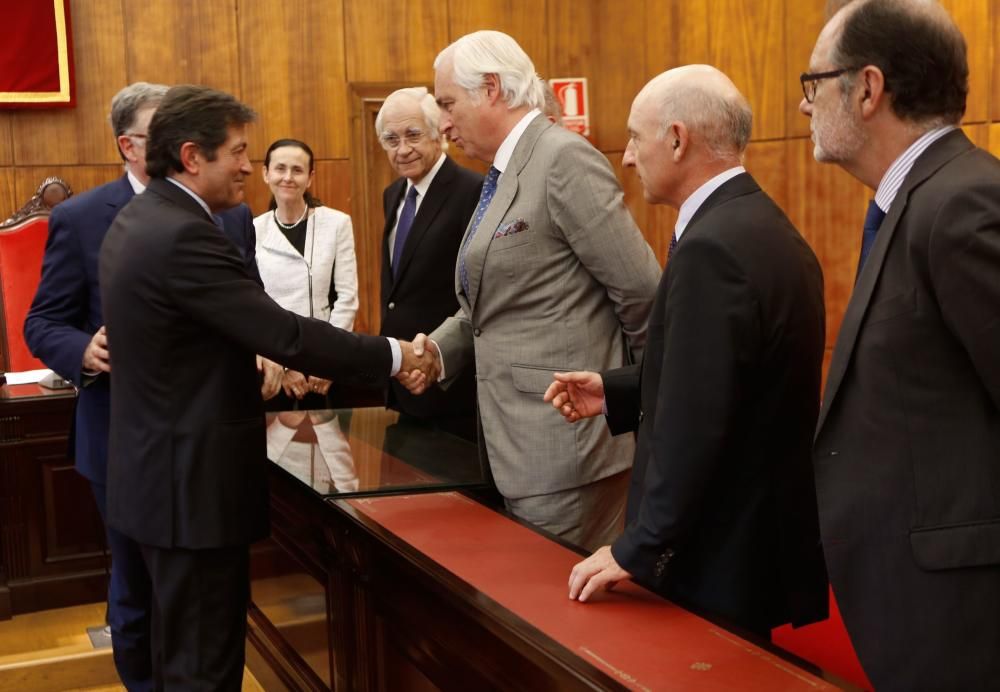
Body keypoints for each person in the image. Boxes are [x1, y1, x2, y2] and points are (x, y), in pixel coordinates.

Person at [98, 85, 431, 690]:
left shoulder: (141, 219)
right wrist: (395, 353)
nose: (250, 167)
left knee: (182, 655)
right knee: (204, 664)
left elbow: (182, 341)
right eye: (239, 152)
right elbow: (284, 333)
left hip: (161, 482)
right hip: (189, 491)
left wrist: (242, 362)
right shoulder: (183, 233)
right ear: (193, 156)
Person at [544, 66, 828, 637]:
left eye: (634, 137)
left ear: (676, 139)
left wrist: (636, 548)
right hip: (754, 538)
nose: (625, 157)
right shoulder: (760, 225)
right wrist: (619, 389)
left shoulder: (712, 248)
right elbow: (728, 373)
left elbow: (700, 421)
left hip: (718, 551)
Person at [22, 82, 267, 692]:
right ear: (130, 144)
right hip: (120, 435)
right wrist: (83, 349)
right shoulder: (82, 218)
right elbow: (41, 320)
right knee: (137, 594)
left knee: (202, 611)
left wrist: (263, 352)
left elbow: (248, 305)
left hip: (206, 440)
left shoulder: (232, 213)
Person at [801, 1, 1000, 687]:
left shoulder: (961, 203)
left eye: (814, 83)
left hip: (962, 611)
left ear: (867, 88)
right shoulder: (914, 200)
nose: (804, 107)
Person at [402, 31, 661, 551]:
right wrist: (437, 350)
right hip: (515, 445)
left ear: (491, 89)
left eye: (449, 104)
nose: (444, 123)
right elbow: (493, 303)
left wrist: (638, 401)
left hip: (569, 449)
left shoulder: (562, 159)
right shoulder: (501, 172)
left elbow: (641, 293)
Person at [377, 87, 482, 440]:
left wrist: (434, 359)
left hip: (451, 387)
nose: (402, 149)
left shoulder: (473, 192)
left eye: (413, 135)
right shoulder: (393, 195)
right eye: (391, 139)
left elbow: (476, 292)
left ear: (437, 133)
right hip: (402, 382)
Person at [254, 138, 358, 410]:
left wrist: (328, 363)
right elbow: (252, 309)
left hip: (325, 369)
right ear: (266, 173)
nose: (288, 177)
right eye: (280, 168)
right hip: (275, 371)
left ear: (310, 177)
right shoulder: (252, 230)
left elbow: (346, 298)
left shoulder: (336, 224)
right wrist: (284, 367)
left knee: (331, 448)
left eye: (297, 170)